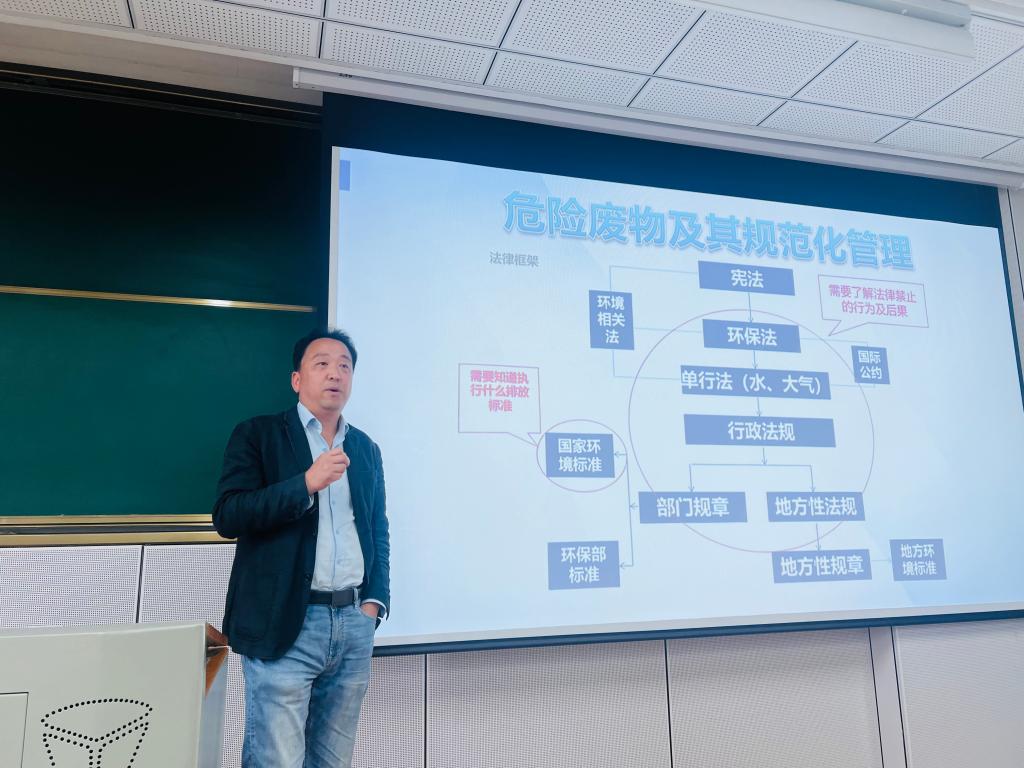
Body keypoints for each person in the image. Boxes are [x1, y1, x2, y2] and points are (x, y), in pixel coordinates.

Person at [212, 328, 389, 768]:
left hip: (352, 623)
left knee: (333, 760)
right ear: (297, 379)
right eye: (322, 364)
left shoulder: (364, 448)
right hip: (285, 624)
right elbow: (229, 515)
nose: (335, 374)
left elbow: (376, 530)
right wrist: (305, 484)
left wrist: (374, 602)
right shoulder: (258, 435)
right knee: (277, 759)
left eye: (344, 366)